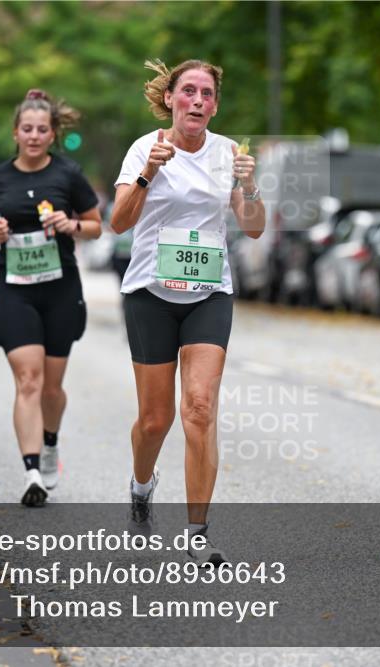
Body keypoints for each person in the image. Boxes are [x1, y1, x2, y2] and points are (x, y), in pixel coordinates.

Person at [110, 59, 265, 565]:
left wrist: (250, 186)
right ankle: (140, 487)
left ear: (215, 105)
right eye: (188, 91)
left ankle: (197, 533)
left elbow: (255, 227)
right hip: (150, 294)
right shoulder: (145, 148)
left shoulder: (229, 154)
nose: (197, 100)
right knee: (155, 420)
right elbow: (117, 223)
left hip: (208, 293)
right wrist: (147, 173)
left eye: (206, 94)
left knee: (199, 409)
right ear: (171, 99)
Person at [0, 88, 102, 507]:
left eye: (42, 129)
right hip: (14, 288)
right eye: (27, 128)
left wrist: (71, 225)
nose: (33, 135)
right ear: (15, 133)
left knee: (52, 389)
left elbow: (96, 225)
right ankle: (32, 473)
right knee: (28, 379)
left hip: (60, 289)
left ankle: (49, 442)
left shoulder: (68, 174)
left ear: (52, 134)